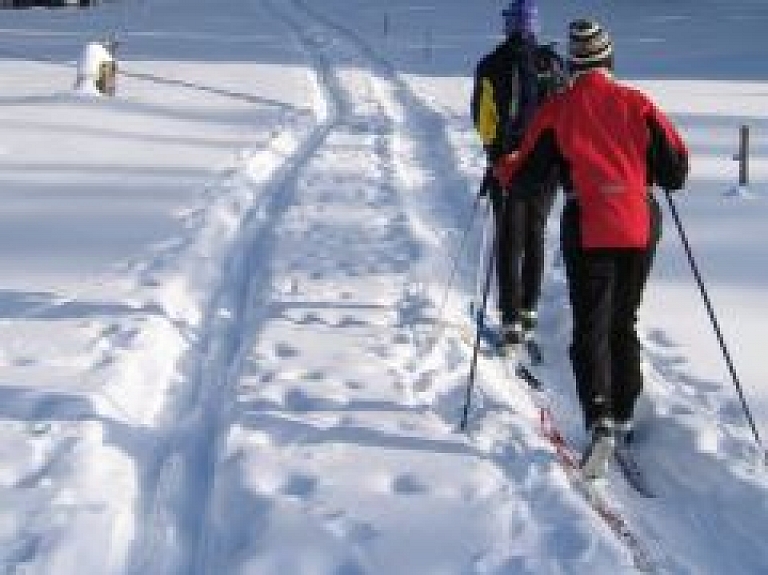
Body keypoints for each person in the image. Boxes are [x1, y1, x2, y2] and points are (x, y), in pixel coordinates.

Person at [494, 19, 689, 477]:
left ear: (574, 64)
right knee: (624, 318)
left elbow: (527, 177)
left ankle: (599, 416)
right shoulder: (637, 103)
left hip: (591, 222)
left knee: (591, 323)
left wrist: (502, 168)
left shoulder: (560, 109)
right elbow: (676, 170)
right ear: (608, 60)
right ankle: (623, 412)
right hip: (640, 221)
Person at [470, 0, 565, 346]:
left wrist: (495, 152)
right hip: (547, 168)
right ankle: (529, 311)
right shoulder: (554, 64)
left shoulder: (491, 63)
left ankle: (510, 318)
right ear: (535, 25)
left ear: (509, 24)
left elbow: (483, 117)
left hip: (507, 163)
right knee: (535, 233)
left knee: (509, 240)